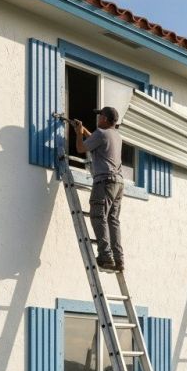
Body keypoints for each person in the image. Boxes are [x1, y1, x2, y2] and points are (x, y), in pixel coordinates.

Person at [72, 107, 125, 272]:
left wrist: (79, 133)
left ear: (105, 119)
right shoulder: (116, 136)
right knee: (113, 220)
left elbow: (81, 148)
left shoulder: (101, 134)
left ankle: (105, 257)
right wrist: (85, 131)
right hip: (118, 183)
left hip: (104, 182)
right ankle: (118, 259)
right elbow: (97, 142)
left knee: (98, 215)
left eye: (100, 115)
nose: (98, 118)